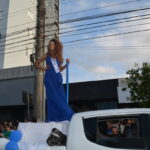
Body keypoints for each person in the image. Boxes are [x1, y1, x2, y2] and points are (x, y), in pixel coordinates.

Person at [35, 39, 74, 122]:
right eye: (49, 44)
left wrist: (67, 65)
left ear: (56, 45)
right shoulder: (46, 55)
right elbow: (36, 63)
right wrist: (43, 68)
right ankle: (54, 117)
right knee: (53, 98)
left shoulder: (59, 57)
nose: (51, 45)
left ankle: (62, 117)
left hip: (57, 79)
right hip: (49, 78)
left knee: (61, 97)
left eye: (52, 44)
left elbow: (59, 69)